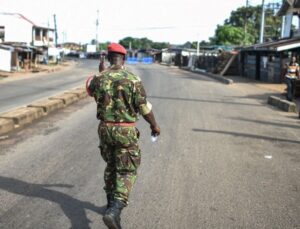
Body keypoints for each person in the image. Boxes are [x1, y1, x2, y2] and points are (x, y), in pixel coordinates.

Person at [86, 43, 160, 229]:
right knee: (127, 170)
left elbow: (91, 91)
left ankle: (111, 205)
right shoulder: (133, 80)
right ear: (124, 58)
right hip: (125, 131)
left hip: (105, 130)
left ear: (109, 58)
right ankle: (115, 209)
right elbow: (144, 109)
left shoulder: (99, 78)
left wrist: (101, 72)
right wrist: (154, 125)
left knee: (111, 166)